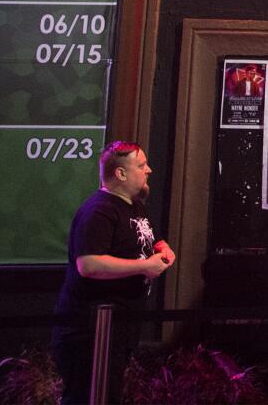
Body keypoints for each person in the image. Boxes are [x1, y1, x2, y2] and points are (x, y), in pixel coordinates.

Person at [52, 141, 176, 405]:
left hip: (119, 327)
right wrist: (144, 266)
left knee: (109, 394)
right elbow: (89, 265)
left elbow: (149, 238)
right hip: (92, 330)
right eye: (141, 166)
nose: (149, 170)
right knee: (90, 396)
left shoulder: (133, 205)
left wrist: (163, 248)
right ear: (120, 173)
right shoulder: (99, 210)